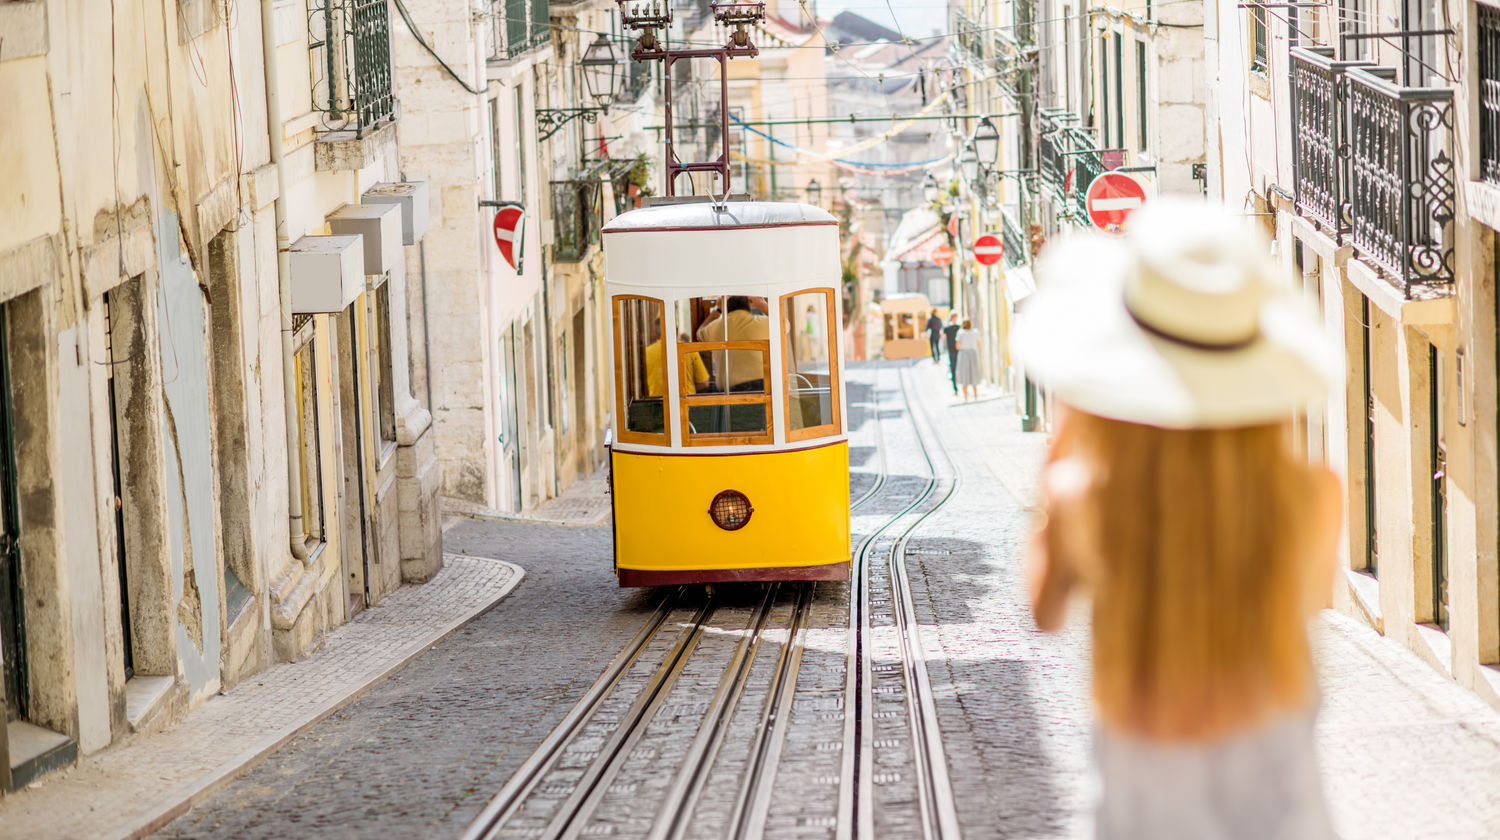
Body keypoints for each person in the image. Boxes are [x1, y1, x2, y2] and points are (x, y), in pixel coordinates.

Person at [1014, 200, 1341, 840]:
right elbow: (1308, 600)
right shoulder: (1312, 495)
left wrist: (1063, 443)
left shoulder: (1083, 497)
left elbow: (1044, 613)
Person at [697, 295, 770, 391]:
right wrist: (763, 305)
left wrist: (718, 309)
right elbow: (784, 324)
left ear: (726, 308)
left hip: (728, 390)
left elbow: (699, 334)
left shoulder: (716, 327)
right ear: (749, 307)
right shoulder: (763, 323)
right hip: (761, 387)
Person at [644, 331, 710, 397]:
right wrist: (688, 388)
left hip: (656, 403)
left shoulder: (647, 352)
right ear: (676, 331)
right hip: (685, 402)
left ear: (655, 334)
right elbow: (704, 383)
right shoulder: (689, 350)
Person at [953, 319, 981, 400]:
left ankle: (965, 397)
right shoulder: (975, 332)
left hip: (963, 354)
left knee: (964, 374)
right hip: (973, 353)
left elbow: (957, 346)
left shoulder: (960, 333)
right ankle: (976, 395)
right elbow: (978, 344)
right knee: (973, 373)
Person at [942, 312, 961, 395]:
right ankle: (955, 387)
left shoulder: (958, 327)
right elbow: (943, 337)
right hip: (952, 350)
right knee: (953, 367)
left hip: (958, 349)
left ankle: (959, 385)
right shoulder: (948, 328)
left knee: (957, 367)